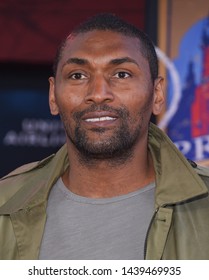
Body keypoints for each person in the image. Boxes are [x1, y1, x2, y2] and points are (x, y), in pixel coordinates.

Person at [0, 13, 209, 260]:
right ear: (53, 96)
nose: (98, 94)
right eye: (78, 75)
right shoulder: (6, 203)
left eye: (121, 74)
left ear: (157, 94)